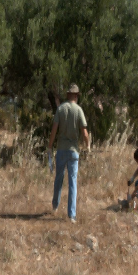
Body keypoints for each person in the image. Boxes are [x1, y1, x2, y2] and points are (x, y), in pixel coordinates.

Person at [48, 83, 89, 224]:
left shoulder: (60, 109)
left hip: (61, 149)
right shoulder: (78, 110)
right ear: (76, 96)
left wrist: (50, 146)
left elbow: (54, 129)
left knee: (58, 179)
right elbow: (84, 132)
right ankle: (71, 215)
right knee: (72, 182)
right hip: (73, 151)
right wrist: (88, 146)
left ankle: (55, 205)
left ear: (67, 95)